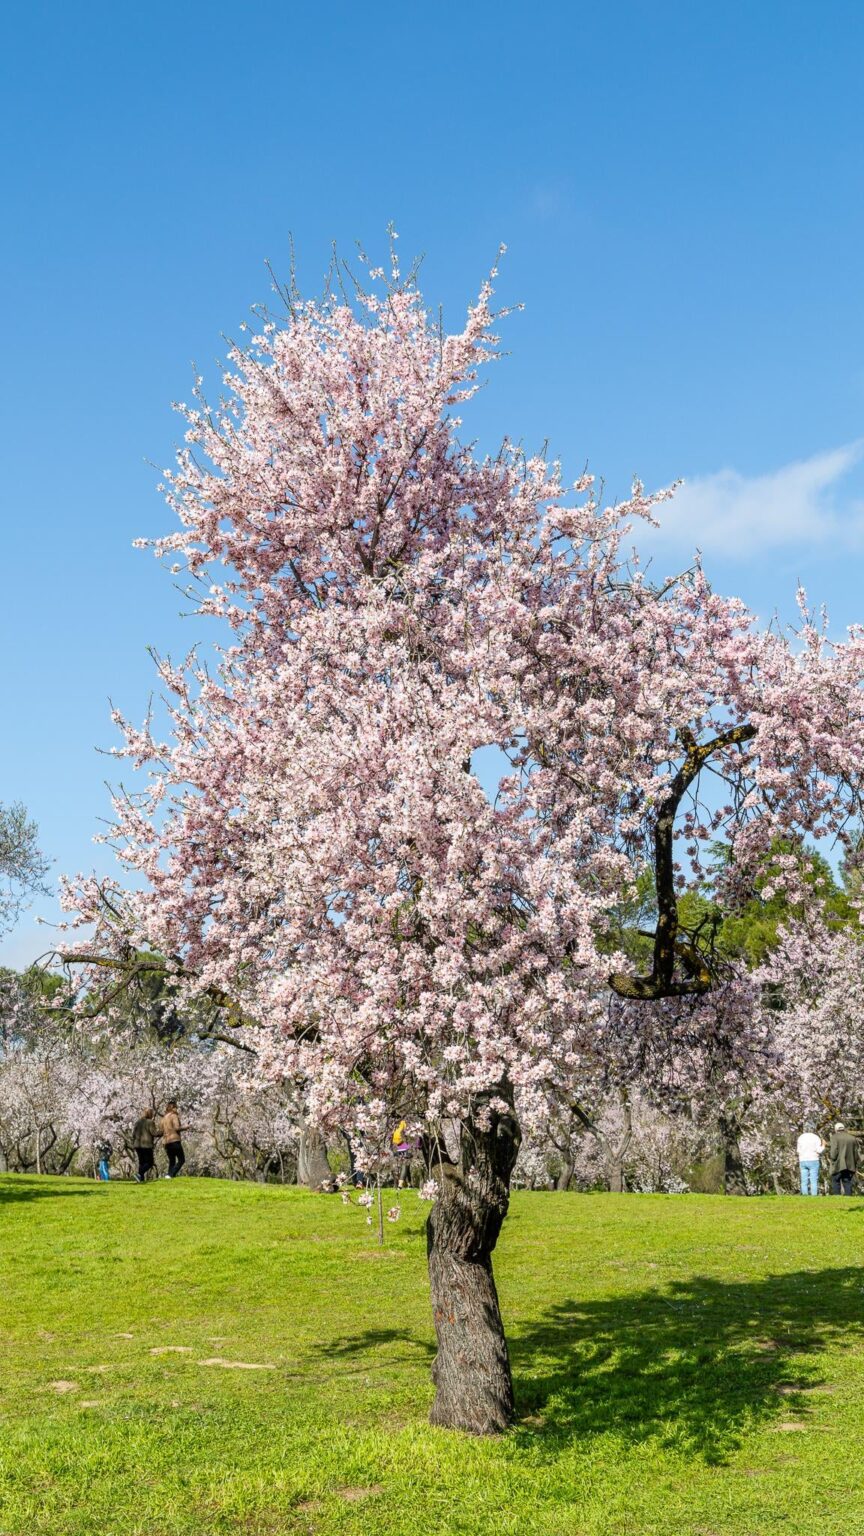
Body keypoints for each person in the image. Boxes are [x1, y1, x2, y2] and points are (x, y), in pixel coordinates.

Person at [828, 1121, 859, 1196]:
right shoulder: (852, 1138)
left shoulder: (834, 1137)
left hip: (838, 1164)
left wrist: (832, 1158)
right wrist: (854, 1163)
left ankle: (837, 1197)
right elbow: (856, 1152)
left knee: (836, 1181)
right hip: (849, 1164)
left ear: (836, 1129)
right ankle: (849, 1197)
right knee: (847, 1181)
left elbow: (833, 1152)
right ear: (843, 1129)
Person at [131, 1107, 160, 1182]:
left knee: (142, 1162)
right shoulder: (150, 1122)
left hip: (137, 1145)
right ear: (150, 1114)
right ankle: (139, 1174)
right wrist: (162, 1132)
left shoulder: (137, 1122)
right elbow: (154, 1133)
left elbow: (133, 1134)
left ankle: (141, 1179)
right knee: (150, 1163)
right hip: (146, 1145)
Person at [160, 1100, 186, 1178]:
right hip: (174, 1140)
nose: (177, 1109)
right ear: (173, 1108)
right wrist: (186, 1127)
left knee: (172, 1161)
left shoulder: (163, 1118)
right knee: (181, 1160)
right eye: (176, 1107)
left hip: (166, 1142)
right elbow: (177, 1128)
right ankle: (170, 1174)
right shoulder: (174, 1116)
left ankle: (169, 1176)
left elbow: (161, 1131)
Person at [796, 1122, 824, 1196]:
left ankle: (805, 1195)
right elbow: (819, 1150)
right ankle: (814, 1195)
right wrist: (823, 1145)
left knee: (804, 1180)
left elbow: (798, 1151)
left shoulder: (801, 1137)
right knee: (813, 1179)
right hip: (813, 1159)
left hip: (803, 1160)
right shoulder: (815, 1137)